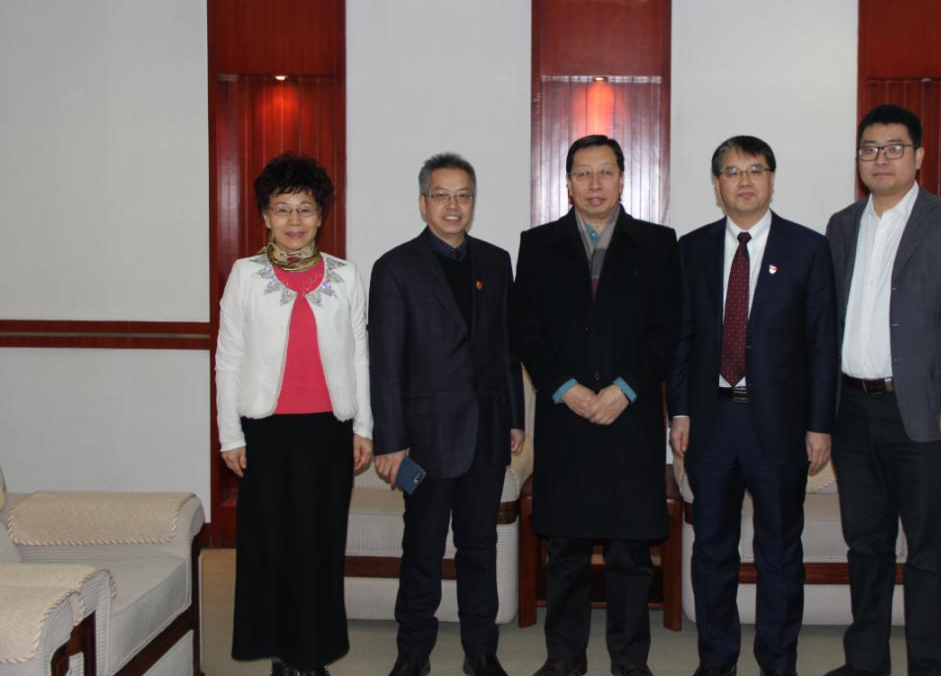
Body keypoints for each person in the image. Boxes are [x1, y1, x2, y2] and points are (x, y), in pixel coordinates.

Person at [822, 105, 941, 676]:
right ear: (858, 159)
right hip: (852, 411)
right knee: (865, 546)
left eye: (894, 148)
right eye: (870, 149)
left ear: (918, 156)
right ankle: (865, 663)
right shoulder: (842, 226)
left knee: (930, 553)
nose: (881, 159)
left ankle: (933, 667)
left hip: (921, 412)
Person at [512, 135, 681, 676]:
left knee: (631, 551)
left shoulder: (658, 243)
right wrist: (564, 387)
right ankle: (565, 657)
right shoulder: (538, 244)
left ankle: (630, 660)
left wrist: (626, 388)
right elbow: (526, 330)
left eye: (605, 172)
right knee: (566, 548)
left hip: (630, 417)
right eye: (583, 174)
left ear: (622, 179)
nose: (594, 184)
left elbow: (667, 329)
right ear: (567, 183)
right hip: (566, 417)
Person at [668, 136, 837, 676]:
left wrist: (819, 424)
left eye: (755, 170)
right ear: (716, 184)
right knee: (711, 550)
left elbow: (822, 344)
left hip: (779, 427)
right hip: (711, 423)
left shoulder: (807, 248)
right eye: (732, 171)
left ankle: (777, 662)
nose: (744, 181)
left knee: (779, 552)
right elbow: (682, 338)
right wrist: (679, 412)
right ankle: (716, 661)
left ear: (772, 179)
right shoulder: (691, 249)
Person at [215, 152, 374, 676]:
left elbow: (359, 354)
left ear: (320, 215)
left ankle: (314, 654)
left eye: (305, 208)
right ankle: (282, 654)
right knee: (271, 545)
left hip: (328, 429)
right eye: (282, 209)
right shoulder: (245, 275)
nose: (294, 220)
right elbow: (228, 358)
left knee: (321, 544)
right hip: (266, 430)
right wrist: (230, 435)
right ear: (265, 216)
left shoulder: (346, 276)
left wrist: (363, 426)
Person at [369, 153, 525, 676]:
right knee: (422, 550)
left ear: (473, 203)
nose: (453, 205)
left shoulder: (496, 262)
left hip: (486, 434)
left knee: (480, 548)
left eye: (463, 195)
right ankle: (413, 654)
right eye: (441, 195)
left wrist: (515, 419)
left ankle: (481, 653)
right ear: (423, 203)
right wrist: (391, 441)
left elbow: (506, 350)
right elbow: (385, 362)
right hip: (424, 439)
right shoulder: (395, 268)